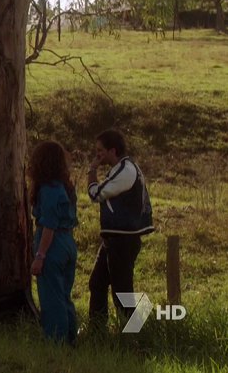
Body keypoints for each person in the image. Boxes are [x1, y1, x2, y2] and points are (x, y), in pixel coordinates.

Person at [86, 129, 155, 328]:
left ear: (112, 150)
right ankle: (98, 331)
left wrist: (92, 171)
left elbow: (96, 194)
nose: (97, 155)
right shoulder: (122, 168)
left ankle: (135, 336)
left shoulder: (125, 170)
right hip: (114, 238)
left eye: (100, 151)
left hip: (123, 239)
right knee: (97, 283)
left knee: (122, 292)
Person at [29, 140, 79, 345]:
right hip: (67, 241)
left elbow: (49, 225)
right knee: (64, 294)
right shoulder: (65, 187)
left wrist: (40, 256)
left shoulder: (48, 189)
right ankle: (70, 339)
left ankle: (55, 342)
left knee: (51, 297)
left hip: (52, 243)